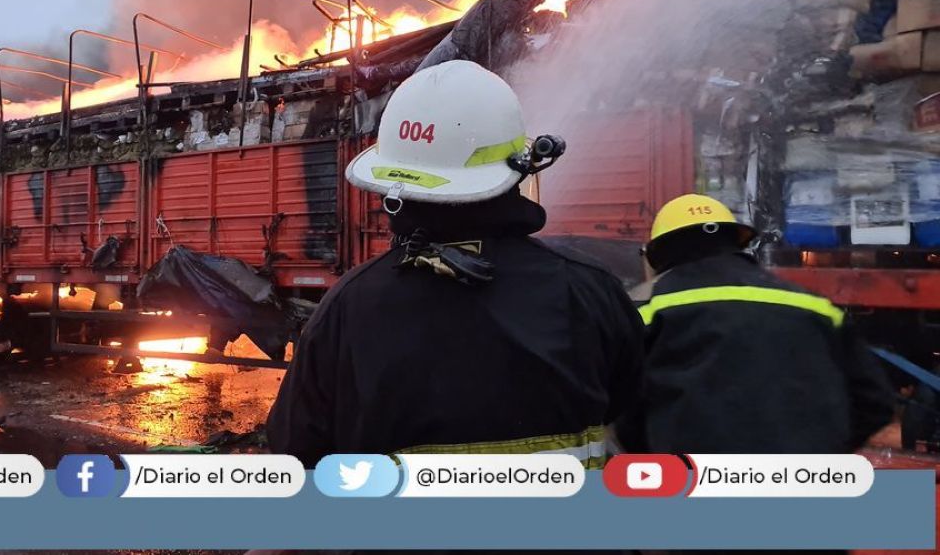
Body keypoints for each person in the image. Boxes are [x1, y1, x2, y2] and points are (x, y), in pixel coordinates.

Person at [266, 60, 645, 468]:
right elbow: (644, 425)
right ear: (519, 171)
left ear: (395, 192)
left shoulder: (348, 307)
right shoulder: (589, 291)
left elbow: (294, 454)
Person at [615, 193, 894, 454]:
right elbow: (875, 402)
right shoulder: (816, 309)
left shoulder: (650, 316)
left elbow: (627, 415)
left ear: (658, 254)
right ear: (736, 242)